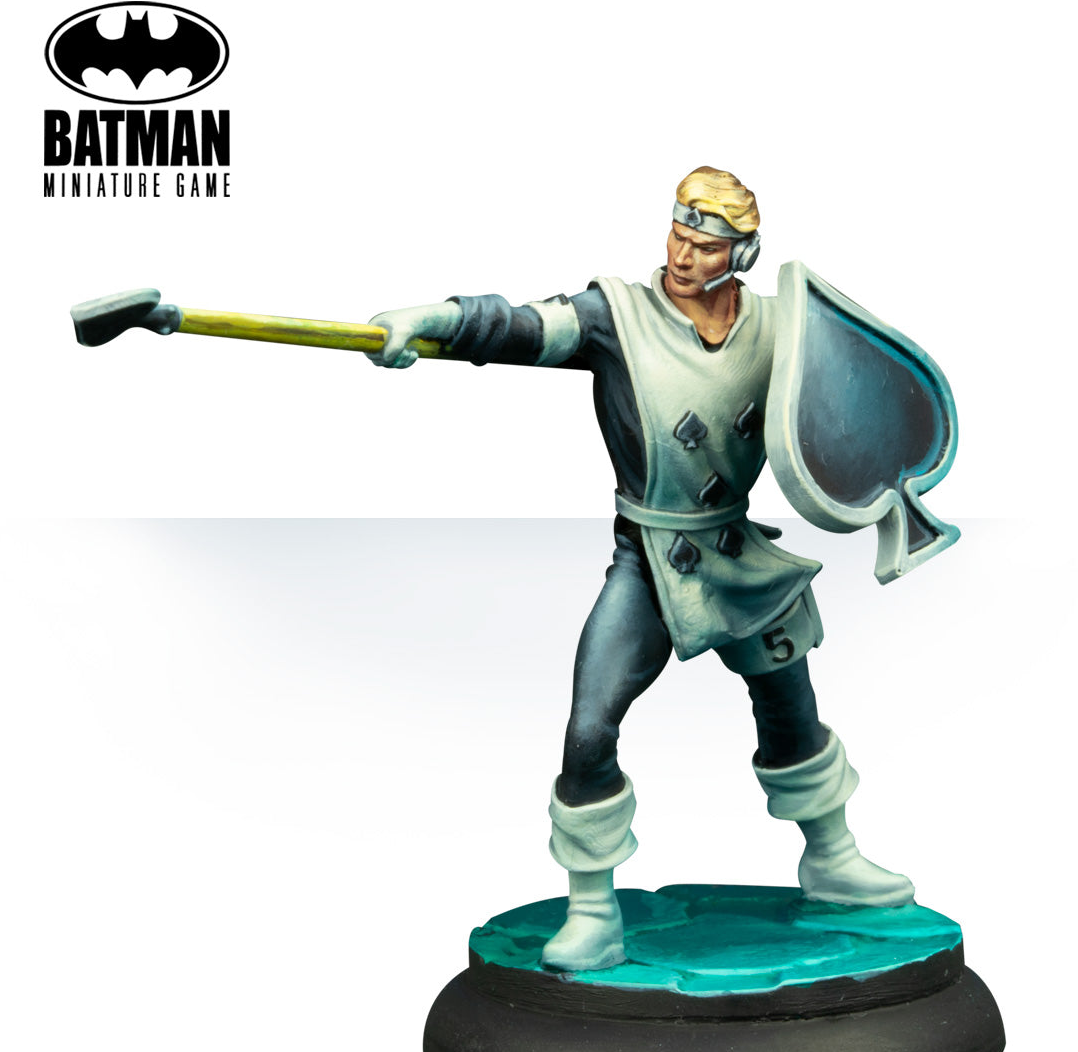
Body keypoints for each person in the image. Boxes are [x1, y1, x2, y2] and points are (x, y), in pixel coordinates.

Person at [365, 167, 913, 971]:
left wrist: (890, 495)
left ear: (742, 253)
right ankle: (592, 908)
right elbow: (521, 327)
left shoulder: (781, 328)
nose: (684, 257)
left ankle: (831, 857)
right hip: (650, 560)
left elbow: (848, 413)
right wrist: (429, 319)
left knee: (791, 709)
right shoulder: (616, 317)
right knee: (590, 726)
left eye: (705, 246)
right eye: (678, 237)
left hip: (738, 554)